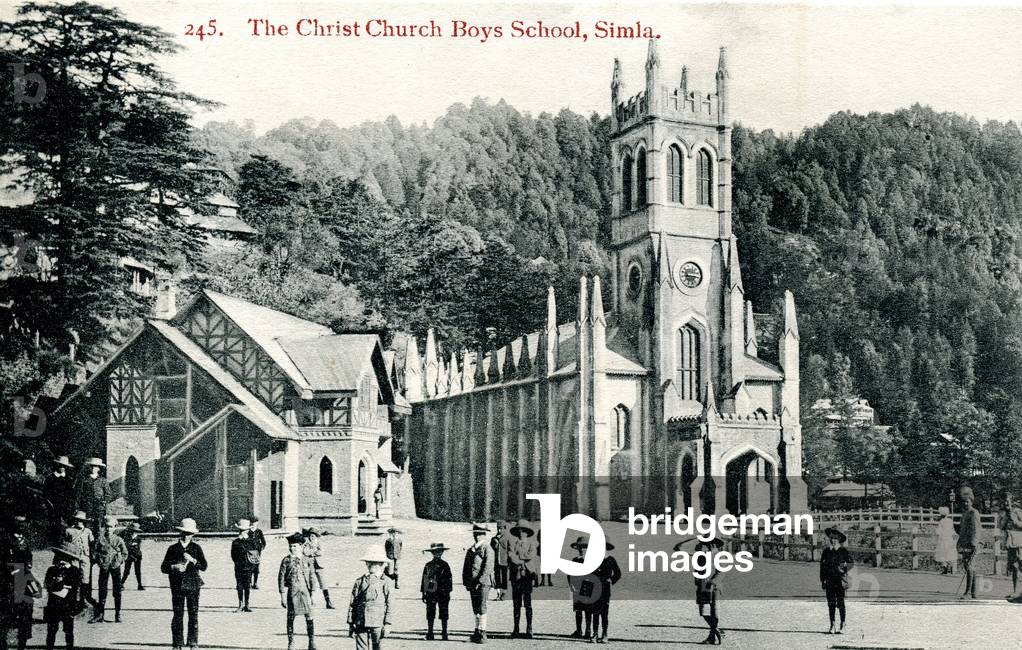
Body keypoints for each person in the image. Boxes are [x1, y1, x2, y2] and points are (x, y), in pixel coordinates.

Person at [160, 518, 208, 650]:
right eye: (184, 533)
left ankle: (192, 642)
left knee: (193, 613)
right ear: (180, 533)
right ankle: (177, 643)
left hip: (193, 585)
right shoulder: (173, 549)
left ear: (193, 534)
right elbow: (163, 567)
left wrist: (193, 560)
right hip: (177, 585)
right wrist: (174, 567)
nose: (187, 536)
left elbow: (204, 566)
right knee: (178, 614)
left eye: (189, 533)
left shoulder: (196, 548)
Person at [2, 522, 40, 650]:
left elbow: (29, 557)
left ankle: (22, 644)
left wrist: (28, 565)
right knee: (6, 612)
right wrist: (9, 570)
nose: (23, 527)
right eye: (20, 524)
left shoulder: (25, 540)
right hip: (8, 579)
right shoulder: (6, 540)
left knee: (26, 610)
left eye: (24, 524)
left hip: (23, 577)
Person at [347, 544, 393, 650]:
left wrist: (388, 624)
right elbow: (352, 603)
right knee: (361, 647)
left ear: (381, 564)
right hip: (360, 620)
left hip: (378, 621)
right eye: (369, 562)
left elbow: (390, 604)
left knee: (377, 646)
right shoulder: (359, 581)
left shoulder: (385, 582)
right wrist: (350, 622)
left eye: (375, 562)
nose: (371, 565)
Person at [280, 533, 318, 650]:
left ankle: (311, 641)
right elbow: (281, 578)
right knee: (291, 617)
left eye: (295, 546)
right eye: (291, 546)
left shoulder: (307, 560)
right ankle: (291, 642)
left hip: (305, 592)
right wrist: (282, 595)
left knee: (309, 616)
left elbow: (312, 577)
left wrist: (313, 595)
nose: (292, 548)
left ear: (301, 546)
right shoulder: (286, 560)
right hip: (293, 592)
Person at [43, 543, 84, 650]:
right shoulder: (51, 570)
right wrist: (57, 583)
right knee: (51, 629)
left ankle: (69, 647)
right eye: (58, 556)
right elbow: (47, 584)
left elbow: (75, 586)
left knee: (68, 630)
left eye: (63, 557)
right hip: (53, 604)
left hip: (68, 605)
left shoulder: (75, 571)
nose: (59, 559)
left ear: (69, 558)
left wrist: (62, 583)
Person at [91, 515, 127, 623]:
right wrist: (99, 561)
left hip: (115, 567)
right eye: (106, 526)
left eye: (110, 527)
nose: (108, 529)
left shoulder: (118, 539)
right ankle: (100, 614)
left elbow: (125, 553)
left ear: (114, 527)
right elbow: (94, 552)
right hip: (104, 566)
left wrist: (119, 560)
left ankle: (118, 614)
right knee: (102, 589)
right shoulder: (100, 539)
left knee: (117, 590)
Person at [689, 537, 725, 645]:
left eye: (710, 543)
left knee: (715, 613)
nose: (708, 545)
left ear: (715, 544)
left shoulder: (719, 556)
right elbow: (697, 569)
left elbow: (721, 572)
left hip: (714, 588)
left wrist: (712, 583)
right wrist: (697, 581)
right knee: (703, 612)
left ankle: (712, 637)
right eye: (706, 543)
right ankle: (717, 630)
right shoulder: (701, 555)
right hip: (702, 587)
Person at [462, 523, 494, 644]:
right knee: (475, 607)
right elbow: (466, 566)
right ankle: (476, 631)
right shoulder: (471, 549)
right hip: (472, 582)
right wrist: (466, 581)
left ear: (484, 535)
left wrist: (479, 581)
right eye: (475, 534)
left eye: (479, 534)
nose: (476, 536)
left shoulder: (487, 548)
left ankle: (483, 632)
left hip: (483, 583)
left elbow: (488, 567)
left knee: (482, 606)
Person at [508, 519, 538, 639]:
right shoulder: (513, 544)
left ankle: (529, 628)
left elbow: (530, 556)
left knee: (528, 603)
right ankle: (516, 628)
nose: (522, 533)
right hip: (516, 577)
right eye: (520, 531)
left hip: (527, 577)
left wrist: (518, 559)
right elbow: (510, 556)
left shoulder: (532, 545)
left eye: (524, 531)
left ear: (527, 532)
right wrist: (522, 560)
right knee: (516, 604)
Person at [820, 527, 852, 634]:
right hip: (829, 580)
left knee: (841, 602)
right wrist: (823, 580)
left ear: (839, 539)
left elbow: (851, 563)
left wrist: (844, 566)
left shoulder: (843, 551)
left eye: (835, 538)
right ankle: (832, 624)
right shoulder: (826, 552)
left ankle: (843, 623)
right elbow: (822, 567)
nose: (833, 540)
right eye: (831, 538)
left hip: (839, 580)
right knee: (831, 603)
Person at [590, 539, 622, 644]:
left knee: (604, 613)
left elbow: (618, 573)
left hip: (605, 589)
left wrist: (611, 580)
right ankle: (595, 633)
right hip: (595, 588)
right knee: (595, 612)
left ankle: (604, 634)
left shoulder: (611, 560)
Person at [420, 542, 453, 641]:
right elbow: (424, 579)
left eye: (439, 552)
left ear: (442, 552)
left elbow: (449, 580)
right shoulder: (429, 565)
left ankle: (444, 632)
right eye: (435, 552)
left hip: (441, 591)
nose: (437, 554)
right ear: (432, 553)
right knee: (431, 612)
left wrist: (448, 592)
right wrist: (423, 593)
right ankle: (431, 632)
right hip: (432, 591)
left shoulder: (444, 565)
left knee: (443, 612)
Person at [64, 511, 95, 613]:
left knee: (85, 579)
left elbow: (92, 545)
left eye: (81, 520)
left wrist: (92, 557)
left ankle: (83, 601)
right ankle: (73, 602)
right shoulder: (69, 531)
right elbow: (65, 545)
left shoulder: (88, 532)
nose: (79, 522)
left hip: (85, 558)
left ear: (84, 521)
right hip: (74, 558)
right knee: (74, 579)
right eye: (77, 520)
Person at [956, 486, 982, 599]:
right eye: (964, 502)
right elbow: (962, 529)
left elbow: (976, 529)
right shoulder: (964, 513)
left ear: (971, 501)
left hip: (972, 543)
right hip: (964, 543)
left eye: (967, 502)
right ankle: (973, 592)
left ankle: (967, 592)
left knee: (970, 566)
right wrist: (959, 541)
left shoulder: (973, 513)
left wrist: (974, 543)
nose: (966, 504)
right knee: (968, 566)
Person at [73, 458, 110, 536]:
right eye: (92, 466)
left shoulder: (103, 480)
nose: (94, 468)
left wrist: (104, 502)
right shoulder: (84, 479)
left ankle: (97, 544)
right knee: (87, 524)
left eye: (96, 467)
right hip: (86, 505)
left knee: (98, 525)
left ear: (99, 468)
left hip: (99, 506)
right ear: (89, 467)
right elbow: (78, 493)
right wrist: (77, 506)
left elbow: (108, 494)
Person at [42, 456, 75, 544]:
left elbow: (71, 494)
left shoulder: (69, 479)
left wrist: (69, 505)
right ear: (57, 465)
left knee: (65, 525)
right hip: (53, 506)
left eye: (64, 466)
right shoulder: (50, 478)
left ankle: (64, 542)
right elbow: (45, 494)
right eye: (60, 466)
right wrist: (49, 504)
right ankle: (55, 542)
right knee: (54, 524)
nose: (62, 468)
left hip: (65, 506)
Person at [567, 537, 594, 640]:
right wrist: (571, 585)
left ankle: (588, 630)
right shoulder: (574, 560)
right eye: (580, 547)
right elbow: (569, 574)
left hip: (588, 587)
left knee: (588, 610)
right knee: (578, 610)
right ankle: (579, 630)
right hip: (577, 588)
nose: (582, 549)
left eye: (584, 547)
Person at [302, 527, 334, 609]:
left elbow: (321, 552)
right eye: (310, 536)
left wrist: (312, 553)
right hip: (310, 565)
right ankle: (310, 602)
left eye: (313, 536)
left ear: (316, 536)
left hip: (319, 565)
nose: (311, 538)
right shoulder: (307, 543)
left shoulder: (319, 543)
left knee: (323, 583)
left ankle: (328, 601)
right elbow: (305, 552)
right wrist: (314, 551)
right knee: (311, 582)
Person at [230, 519, 257, 612]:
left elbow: (255, 554)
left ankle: (247, 604)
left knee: (247, 586)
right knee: (239, 586)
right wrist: (238, 563)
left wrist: (252, 565)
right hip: (239, 567)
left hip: (249, 567)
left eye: (244, 530)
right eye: (241, 530)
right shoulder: (236, 542)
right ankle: (240, 604)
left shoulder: (251, 541)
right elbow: (233, 555)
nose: (242, 532)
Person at [1000, 492, 1022, 602]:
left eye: (1008, 501)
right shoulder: (1005, 514)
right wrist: (1004, 519)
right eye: (1004, 501)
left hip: (1019, 544)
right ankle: (1015, 591)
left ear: (1012, 502)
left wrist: (1015, 520)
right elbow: (1002, 527)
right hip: (1010, 544)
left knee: (1020, 567)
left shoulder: (1018, 512)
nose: (1006, 503)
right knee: (1014, 567)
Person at [119, 522, 144, 590]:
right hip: (129, 556)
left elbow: (139, 547)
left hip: (137, 556)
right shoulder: (127, 537)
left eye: (135, 531)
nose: (134, 532)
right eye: (132, 531)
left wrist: (138, 555)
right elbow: (125, 547)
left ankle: (139, 585)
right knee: (127, 571)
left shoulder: (138, 538)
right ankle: (121, 583)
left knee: (138, 571)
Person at [933, 506, 957, 575]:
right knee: (950, 553)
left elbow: (938, 532)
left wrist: (936, 532)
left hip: (943, 539)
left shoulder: (941, 521)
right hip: (949, 539)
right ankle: (953, 568)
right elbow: (952, 530)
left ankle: (945, 568)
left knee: (942, 554)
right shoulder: (950, 521)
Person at [490, 521, 510, 601]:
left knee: (504, 577)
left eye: (501, 529)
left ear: (504, 528)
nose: (499, 531)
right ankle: (498, 594)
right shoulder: (493, 538)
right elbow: (491, 550)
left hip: (504, 561)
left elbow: (510, 550)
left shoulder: (507, 538)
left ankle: (504, 593)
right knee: (497, 577)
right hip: (496, 561)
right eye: (498, 528)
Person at [249, 516, 266, 589]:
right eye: (252, 522)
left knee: (256, 568)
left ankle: (255, 583)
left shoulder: (259, 531)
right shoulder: (248, 531)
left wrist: (261, 548)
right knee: (249, 567)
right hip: (249, 552)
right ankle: (249, 583)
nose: (253, 524)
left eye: (255, 522)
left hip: (257, 552)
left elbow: (264, 542)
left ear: (257, 523)